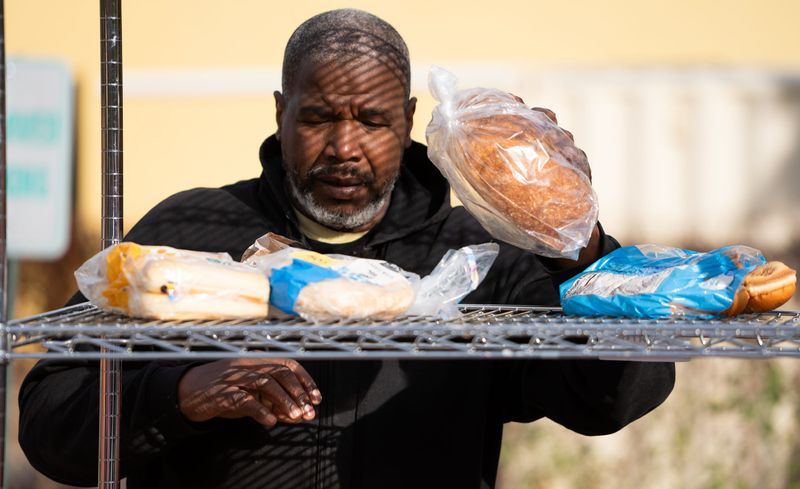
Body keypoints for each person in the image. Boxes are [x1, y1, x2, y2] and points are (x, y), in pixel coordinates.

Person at [19, 9, 674, 489]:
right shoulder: (190, 229)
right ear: (281, 111)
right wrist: (182, 392)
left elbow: (611, 398)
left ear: (409, 121)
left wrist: (578, 243)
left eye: (371, 120)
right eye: (318, 117)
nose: (343, 145)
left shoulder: (473, 257)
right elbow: (49, 422)